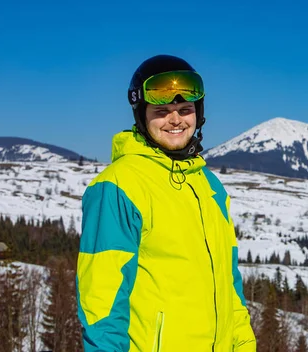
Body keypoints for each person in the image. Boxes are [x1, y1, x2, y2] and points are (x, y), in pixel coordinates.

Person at [76, 55, 256, 351]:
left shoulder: (209, 186)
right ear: (142, 115)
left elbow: (229, 285)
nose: (176, 120)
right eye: (162, 111)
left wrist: (245, 345)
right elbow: (102, 301)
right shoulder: (119, 185)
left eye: (185, 110)